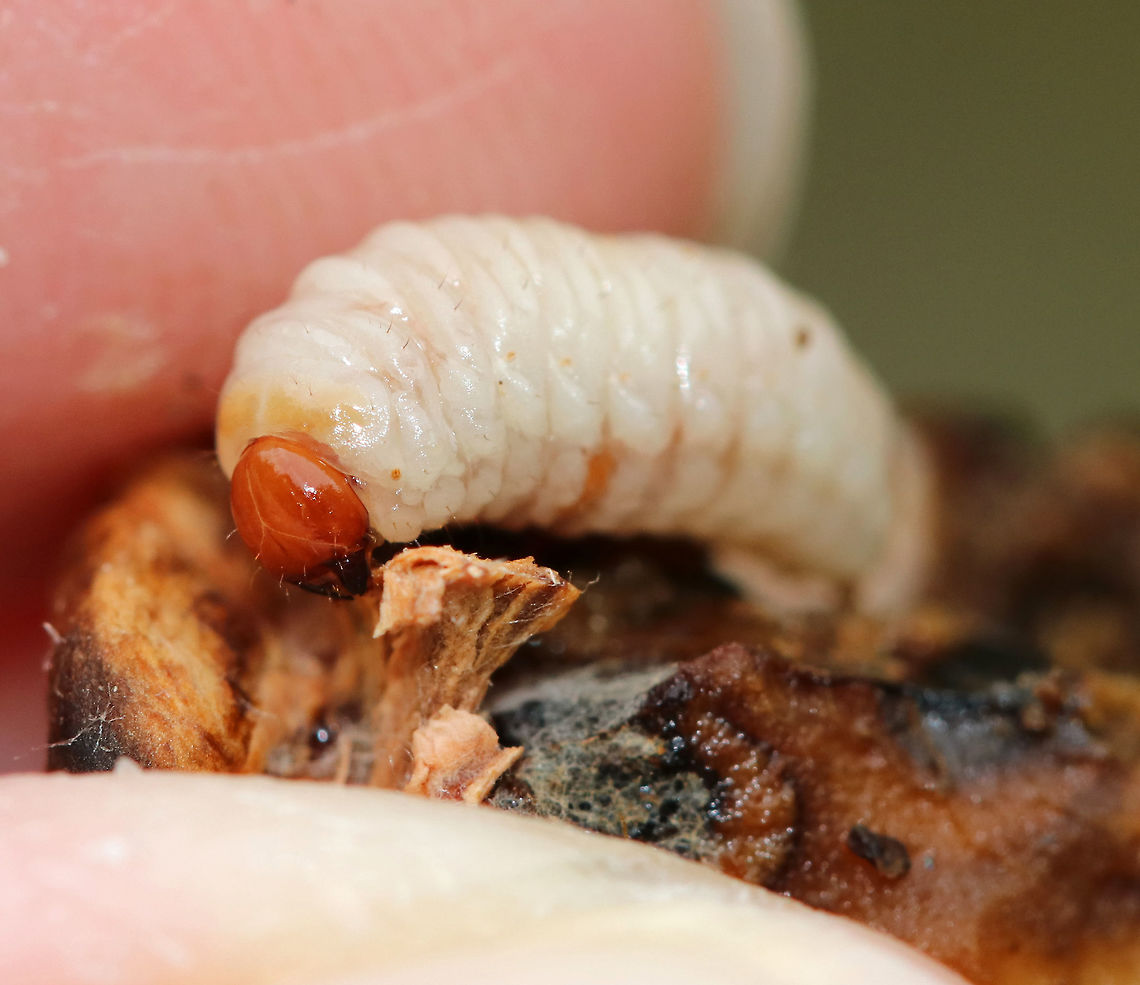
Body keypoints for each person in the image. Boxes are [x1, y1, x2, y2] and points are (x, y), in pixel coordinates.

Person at [0, 4, 955, 982]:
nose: (334, 562)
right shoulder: (372, 394)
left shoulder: (395, 385)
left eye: (330, 532)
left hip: (824, 444)